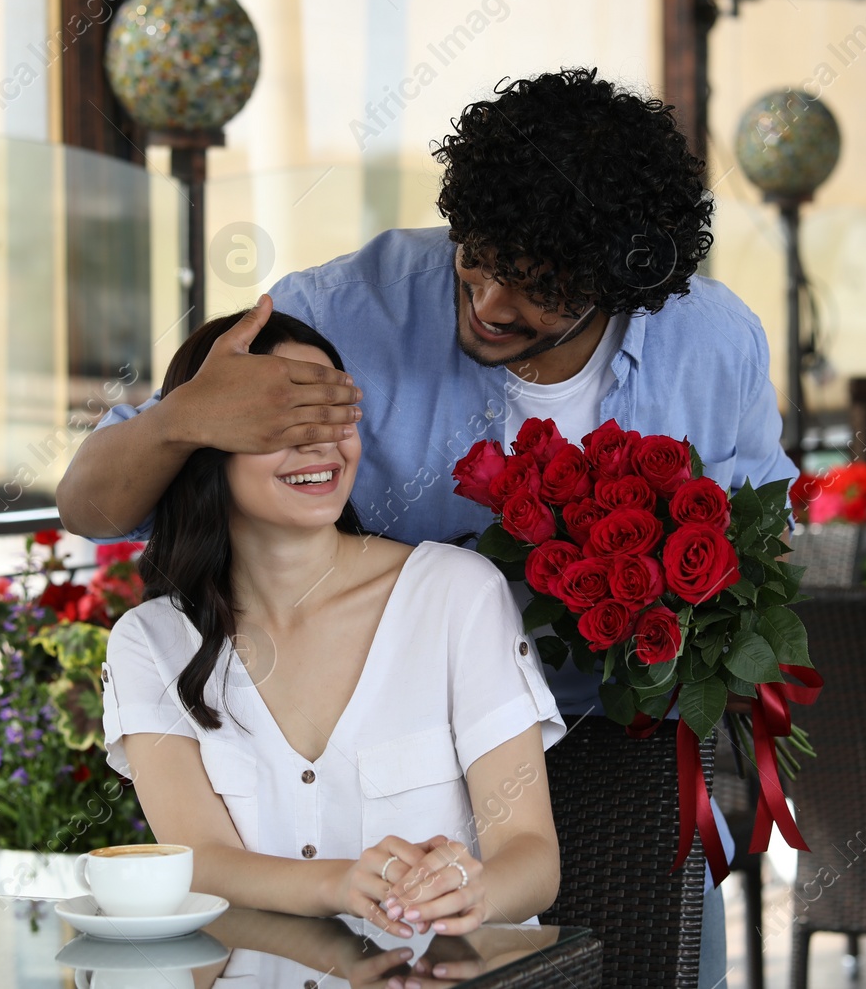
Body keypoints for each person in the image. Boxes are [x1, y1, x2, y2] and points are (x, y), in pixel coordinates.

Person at [65, 67, 798, 987]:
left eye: (537, 287)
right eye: (477, 255)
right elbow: (92, 507)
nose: (488, 303)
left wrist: (716, 638)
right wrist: (184, 419)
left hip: (626, 761)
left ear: (622, 283)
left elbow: (761, 539)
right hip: (415, 769)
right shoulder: (345, 310)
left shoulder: (714, 344)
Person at [101, 311, 565, 962]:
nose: (321, 443)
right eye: (286, 418)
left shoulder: (459, 595)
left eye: (335, 412)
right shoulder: (149, 642)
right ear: (203, 441)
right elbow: (201, 862)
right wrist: (340, 883)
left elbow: (532, 854)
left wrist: (474, 889)